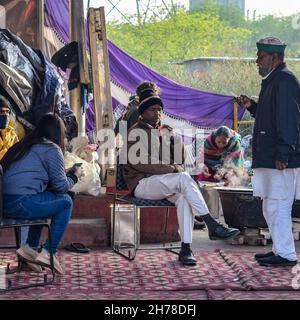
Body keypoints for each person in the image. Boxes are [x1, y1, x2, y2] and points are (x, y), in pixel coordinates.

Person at [123, 89, 240, 266]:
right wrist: (172, 169)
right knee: (184, 177)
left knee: (185, 197)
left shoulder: (163, 131)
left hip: (165, 184)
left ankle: (186, 248)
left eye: (159, 110)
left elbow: (181, 159)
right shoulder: (134, 132)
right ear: (143, 113)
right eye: (153, 110)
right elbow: (141, 164)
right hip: (142, 184)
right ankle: (211, 224)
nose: (158, 113)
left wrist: (174, 139)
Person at [237, 36, 300, 267]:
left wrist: (284, 153)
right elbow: (270, 117)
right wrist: (252, 107)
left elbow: (288, 120)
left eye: (260, 56)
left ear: (274, 58)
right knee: (269, 205)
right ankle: (279, 249)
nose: (256, 61)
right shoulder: (274, 80)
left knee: (279, 205)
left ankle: (286, 254)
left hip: (280, 158)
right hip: (271, 155)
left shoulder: (284, 80)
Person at [1, 113, 82, 274]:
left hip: (5, 203)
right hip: (21, 203)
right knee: (66, 201)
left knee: (45, 198)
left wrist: (62, 172)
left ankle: (29, 249)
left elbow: (29, 174)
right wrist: (75, 176)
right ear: (58, 133)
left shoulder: (23, 145)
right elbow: (61, 187)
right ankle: (49, 253)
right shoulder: (51, 149)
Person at [0, 95, 19, 160]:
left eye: (7, 111)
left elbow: (17, 151)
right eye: (1, 111)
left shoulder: (12, 133)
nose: (5, 114)